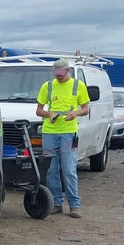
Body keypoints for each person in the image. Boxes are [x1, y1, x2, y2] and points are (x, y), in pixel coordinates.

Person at [36, 58, 90, 218]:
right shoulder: (48, 86)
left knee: (68, 168)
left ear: (67, 71)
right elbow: (39, 110)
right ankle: (56, 204)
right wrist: (50, 114)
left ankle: (74, 205)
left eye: (61, 74)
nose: (58, 77)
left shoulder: (78, 86)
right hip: (49, 132)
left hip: (68, 132)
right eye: (56, 74)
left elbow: (85, 108)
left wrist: (75, 113)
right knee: (51, 170)